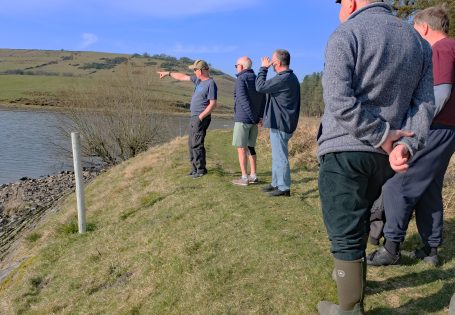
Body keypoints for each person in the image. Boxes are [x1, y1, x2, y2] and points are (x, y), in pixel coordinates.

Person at [317, 0, 434, 314]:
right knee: (356, 224)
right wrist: (403, 146)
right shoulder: (419, 43)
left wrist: (381, 136)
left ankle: (349, 308)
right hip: (385, 159)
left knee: (344, 230)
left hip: (345, 148)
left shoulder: (347, 33)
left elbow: (339, 100)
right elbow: (423, 106)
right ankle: (350, 282)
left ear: (352, 2)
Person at [368, 5, 455, 267]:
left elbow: (440, 93)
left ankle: (392, 248)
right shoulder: (451, 47)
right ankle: (430, 250)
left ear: (425, 28)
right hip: (447, 130)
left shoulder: (439, 49)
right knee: (428, 188)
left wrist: (417, 124)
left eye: (415, 31)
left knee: (397, 185)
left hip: (435, 128)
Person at [157, 60, 217, 179]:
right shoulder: (198, 80)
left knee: (197, 143)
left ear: (201, 70)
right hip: (194, 117)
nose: (193, 72)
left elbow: (213, 104)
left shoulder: (211, 83)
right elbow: (182, 77)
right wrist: (168, 73)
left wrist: (201, 116)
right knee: (191, 143)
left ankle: (200, 170)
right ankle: (194, 168)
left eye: (195, 70)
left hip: (201, 118)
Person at [255, 49, 300, 197]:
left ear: (278, 63)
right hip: (281, 122)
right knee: (277, 155)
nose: (271, 64)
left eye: (273, 62)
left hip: (281, 123)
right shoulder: (289, 77)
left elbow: (260, 86)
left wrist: (263, 68)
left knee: (280, 156)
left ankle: (284, 187)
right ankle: (276, 183)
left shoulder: (284, 78)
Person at [231, 56, 266, 186]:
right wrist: (259, 117)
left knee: (241, 148)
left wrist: (252, 117)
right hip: (255, 120)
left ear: (241, 66)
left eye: (236, 66)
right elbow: (263, 99)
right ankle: (254, 175)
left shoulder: (241, 79)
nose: (236, 68)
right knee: (251, 147)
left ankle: (244, 177)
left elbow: (242, 99)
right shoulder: (257, 79)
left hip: (244, 119)